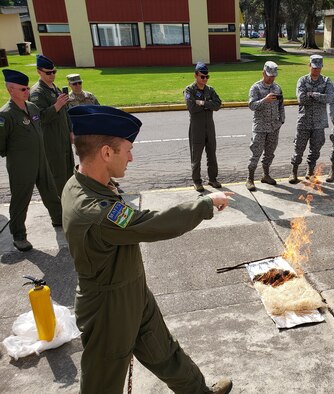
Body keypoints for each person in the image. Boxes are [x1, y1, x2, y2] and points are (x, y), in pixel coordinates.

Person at [62, 105, 233, 394]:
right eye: (126, 150)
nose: (131, 157)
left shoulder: (84, 183)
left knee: (164, 352)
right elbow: (151, 224)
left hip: (131, 291)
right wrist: (205, 204)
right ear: (106, 153)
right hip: (109, 307)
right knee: (103, 380)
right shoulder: (95, 211)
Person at [0, 69, 62, 252]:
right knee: (21, 199)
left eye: (27, 88)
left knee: (50, 191)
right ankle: (19, 236)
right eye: (22, 89)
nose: (27, 92)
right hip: (21, 165)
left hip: (41, 160)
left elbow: (40, 125)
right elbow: (1, 143)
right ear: (10, 89)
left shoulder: (32, 107)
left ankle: (58, 219)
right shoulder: (5, 115)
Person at [29, 54, 74, 196]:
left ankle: (69, 202)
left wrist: (71, 131)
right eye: (48, 73)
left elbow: (65, 112)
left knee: (69, 169)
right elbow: (39, 117)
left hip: (64, 137)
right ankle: (60, 206)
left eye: (54, 71)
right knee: (58, 174)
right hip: (52, 140)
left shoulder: (54, 88)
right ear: (39, 71)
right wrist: (57, 105)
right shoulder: (37, 92)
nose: (52, 75)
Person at [289, 55, 334, 184]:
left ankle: (310, 171)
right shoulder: (302, 80)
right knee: (299, 149)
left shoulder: (326, 81)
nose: (316, 70)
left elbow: (331, 98)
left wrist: (314, 95)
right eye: (314, 67)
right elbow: (301, 99)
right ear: (309, 66)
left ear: (322, 67)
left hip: (319, 123)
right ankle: (294, 172)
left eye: (319, 68)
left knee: (315, 150)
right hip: (304, 121)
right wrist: (321, 97)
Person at [245, 61, 285, 191]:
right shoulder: (255, 88)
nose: (271, 78)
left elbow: (281, 105)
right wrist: (264, 100)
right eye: (269, 75)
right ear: (263, 73)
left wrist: (281, 120)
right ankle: (250, 179)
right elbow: (251, 105)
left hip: (274, 126)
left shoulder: (277, 88)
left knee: (269, 153)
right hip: (260, 126)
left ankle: (266, 175)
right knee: (256, 152)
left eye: (274, 76)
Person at [184, 62, 222, 192]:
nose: (205, 79)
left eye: (207, 77)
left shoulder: (210, 90)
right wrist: (208, 104)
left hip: (209, 126)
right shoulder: (189, 90)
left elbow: (217, 104)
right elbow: (192, 108)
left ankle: (213, 178)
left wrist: (202, 103)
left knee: (212, 153)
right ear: (195, 75)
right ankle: (197, 181)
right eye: (202, 77)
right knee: (196, 155)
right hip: (197, 127)